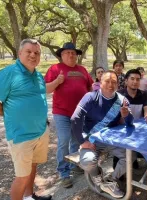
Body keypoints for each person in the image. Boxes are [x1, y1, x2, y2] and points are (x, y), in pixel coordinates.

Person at [0, 39, 51, 200]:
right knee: (21, 176)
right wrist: (9, 115)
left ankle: (29, 196)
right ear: (20, 53)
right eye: (29, 51)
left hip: (41, 131)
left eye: (36, 53)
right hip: (21, 135)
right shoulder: (8, 73)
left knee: (33, 166)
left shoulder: (38, 75)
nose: (33, 55)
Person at [71, 71, 134, 198]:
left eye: (114, 82)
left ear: (117, 84)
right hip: (92, 140)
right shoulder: (90, 97)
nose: (111, 84)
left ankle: (111, 180)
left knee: (130, 156)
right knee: (87, 161)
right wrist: (83, 142)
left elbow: (130, 122)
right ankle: (100, 181)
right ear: (100, 82)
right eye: (107, 81)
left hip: (112, 140)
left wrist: (126, 116)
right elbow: (75, 118)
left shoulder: (122, 100)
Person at [45, 42, 94, 188]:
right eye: (67, 52)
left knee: (75, 141)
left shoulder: (82, 70)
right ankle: (63, 172)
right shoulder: (55, 69)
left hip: (80, 114)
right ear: (61, 55)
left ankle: (73, 166)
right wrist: (57, 81)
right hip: (62, 113)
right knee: (64, 140)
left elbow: (90, 87)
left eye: (73, 53)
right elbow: (46, 89)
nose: (71, 55)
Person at [113, 69, 147, 170]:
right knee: (120, 163)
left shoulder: (145, 94)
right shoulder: (118, 95)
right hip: (121, 130)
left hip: (138, 129)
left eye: (138, 79)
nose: (135, 82)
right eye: (132, 79)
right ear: (126, 81)